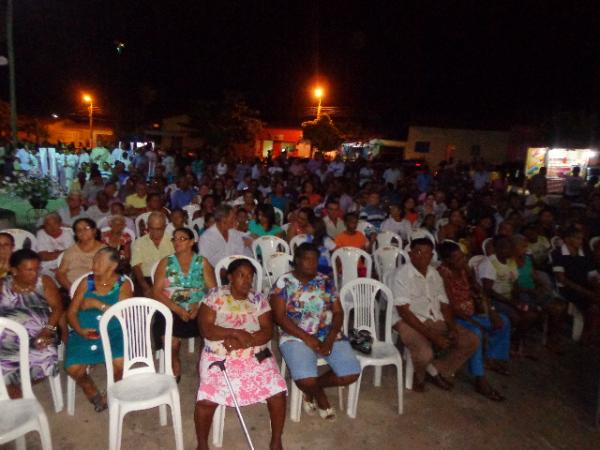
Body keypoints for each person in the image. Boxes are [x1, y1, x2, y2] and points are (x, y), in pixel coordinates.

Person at [196, 259, 287, 450]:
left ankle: (276, 440)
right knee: (206, 401)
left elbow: (267, 331)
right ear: (230, 277)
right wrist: (235, 333)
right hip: (219, 356)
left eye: (250, 276)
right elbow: (207, 329)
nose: (247, 281)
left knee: (278, 392)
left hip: (253, 354)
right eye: (241, 275)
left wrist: (241, 342)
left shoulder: (258, 299)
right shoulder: (215, 296)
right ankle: (202, 444)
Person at [271, 243, 360, 420]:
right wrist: (307, 338)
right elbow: (279, 317)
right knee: (306, 380)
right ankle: (319, 395)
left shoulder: (325, 280)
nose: (313, 264)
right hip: (295, 335)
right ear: (297, 261)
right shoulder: (284, 283)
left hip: (327, 333)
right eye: (308, 259)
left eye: (315, 260)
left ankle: (311, 390)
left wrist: (331, 337)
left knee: (351, 374)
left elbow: (338, 312)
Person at [392, 238, 479, 392]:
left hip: (433, 318)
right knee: (425, 354)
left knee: (470, 340)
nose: (423, 256)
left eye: (427, 253)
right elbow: (404, 312)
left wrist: (452, 327)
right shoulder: (402, 274)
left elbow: (444, 304)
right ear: (411, 254)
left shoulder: (435, 274)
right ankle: (419, 377)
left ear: (432, 256)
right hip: (408, 320)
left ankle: (436, 370)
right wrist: (434, 337)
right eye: (418, 252)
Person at [438, 241, 509, 401]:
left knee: (503, 321)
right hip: (455, 316)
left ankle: (490, 359)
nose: (463, 261)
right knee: (475, 332)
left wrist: (491, 311)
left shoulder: (464, 270)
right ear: (447, 261)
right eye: (458, 259)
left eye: (463, 257)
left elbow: (479, 290)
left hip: (472, 313)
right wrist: (475, 323)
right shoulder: (443, 274)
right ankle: (480, 378)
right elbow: (451, 306)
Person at [64, 247, 133, 411]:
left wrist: (97, 304)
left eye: (98, 261)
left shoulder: (123, 285)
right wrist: (80, 330)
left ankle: (112, 392)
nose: (93, 264)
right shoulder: (86, 282)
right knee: (72, 367)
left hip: (114, 332)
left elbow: (124, 315)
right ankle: (90, 389)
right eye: (94, 260)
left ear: (112, 265)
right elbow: (71, 312)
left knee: (120, 363)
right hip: (85, 331)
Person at [152, 227, 216, 380]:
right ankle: (175, 361)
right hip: (171, 305)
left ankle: (203, 362)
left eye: (182, 238)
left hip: (197, 306)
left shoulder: (202, 262)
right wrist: (178, 309)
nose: (177, 242)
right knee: (171, 340)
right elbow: (156, 292)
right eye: (175, 239)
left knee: (208, 327)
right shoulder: (166, 262)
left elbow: (213, 291)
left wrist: (198, 305)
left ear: (192, 242)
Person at [0, 249, 63, 398]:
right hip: (7, 335)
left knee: (44, 356)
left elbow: (57, 308)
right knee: (5, 362)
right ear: (14, 271)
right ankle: (16, 389)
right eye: (29, 270)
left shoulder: (45, 281)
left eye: (37, 268)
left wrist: (47, 331)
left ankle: (19, 388)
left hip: (41, 331)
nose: (35, 274)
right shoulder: (3, 285)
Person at [551, 226, 600, 344]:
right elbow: (561, 278)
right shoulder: (558, 253)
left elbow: (592, 275)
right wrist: (586, 291)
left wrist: (597, 288)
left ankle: (589, 335)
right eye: (577, 238)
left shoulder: (585, 254)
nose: (580, 241)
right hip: (566, 289)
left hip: (583, 288)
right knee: (593, 303)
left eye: (581, 239)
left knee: (595, 304)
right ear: (567, 239)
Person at [130, 212, 174, 297]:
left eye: (159, 229)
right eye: (152, 228)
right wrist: (145, 287)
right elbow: (136, 267)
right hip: (146, 279)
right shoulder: (139, 243)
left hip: (169, 279)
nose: (155, 232)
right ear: (147, 226)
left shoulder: (172, 240)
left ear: (165, 226)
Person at [56, 218, 106, 292]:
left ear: (94, 231)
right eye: (78, 230)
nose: (82, 231)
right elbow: (60, 273)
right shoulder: (71, 251)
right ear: (76, 234)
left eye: (86, 228)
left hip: (94, 288)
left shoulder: (104, 251)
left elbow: (106, 274)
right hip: (70, 287)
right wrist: (71, 289)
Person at [199, 204, 252, 271]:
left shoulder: (234, 233)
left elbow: (242, 252)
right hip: (216, 273)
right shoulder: (207, 238)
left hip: (236, 271)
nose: (235, 220)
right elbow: (204, 263)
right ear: (223, 219)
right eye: (233, 218)